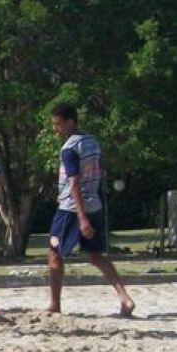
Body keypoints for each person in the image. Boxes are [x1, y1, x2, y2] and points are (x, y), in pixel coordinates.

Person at [47, 102, 135, 316]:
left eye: (57, 124)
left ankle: (55, 305)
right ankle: (125, 298)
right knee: (95, 255)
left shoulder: (69, 148)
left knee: (54, 254)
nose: (55, 129)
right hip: (94, 204)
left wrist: (82, 217)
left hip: (72, 209)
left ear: (70, 122)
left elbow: (74, 183)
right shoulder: (92, 142)